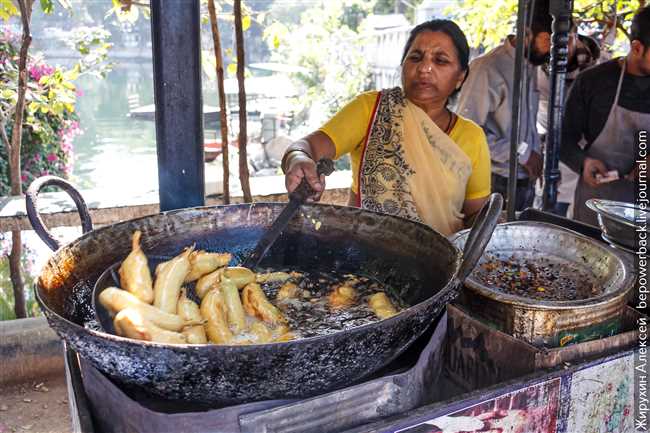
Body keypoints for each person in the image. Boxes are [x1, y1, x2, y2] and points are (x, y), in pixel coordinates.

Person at [281, 19, 491, 236]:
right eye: (416, 58)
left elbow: (476, 218)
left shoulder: (471, 137)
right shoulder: (371, 110)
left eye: (440, 61)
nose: (424, 68)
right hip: (364, 256)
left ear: (460, 77)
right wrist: (299, 159)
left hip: (440, 264)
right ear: (403, 65)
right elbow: (306, 147)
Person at [560, 6, 650, 226]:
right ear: (637, 48)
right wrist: (583, 162)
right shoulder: (593, 82)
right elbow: (562, 140)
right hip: (596, 202)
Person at [456, 11, 553, 211]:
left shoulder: (531, 64)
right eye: (547, 40)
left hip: (523, 179)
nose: (552, 48)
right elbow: (465, 131)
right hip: (494, 179)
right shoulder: (488, 68)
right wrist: (523, 153)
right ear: (526, 33)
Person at [536, 24, 600, 217]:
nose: (558, 49)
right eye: (550, 42)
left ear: (575, 36)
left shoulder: (596, 69)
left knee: (572, 216)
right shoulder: (540, 65)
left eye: (567, 40)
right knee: (546, 214)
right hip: (549, 149)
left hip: (581, 153)